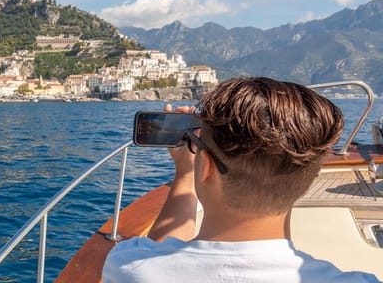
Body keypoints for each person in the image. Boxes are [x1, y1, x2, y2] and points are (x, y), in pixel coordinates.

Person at [102, 77, 380, 282]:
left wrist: (185, 175)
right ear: (310, 176)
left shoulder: (129, 266)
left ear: (206, 166)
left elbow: (159, 254)